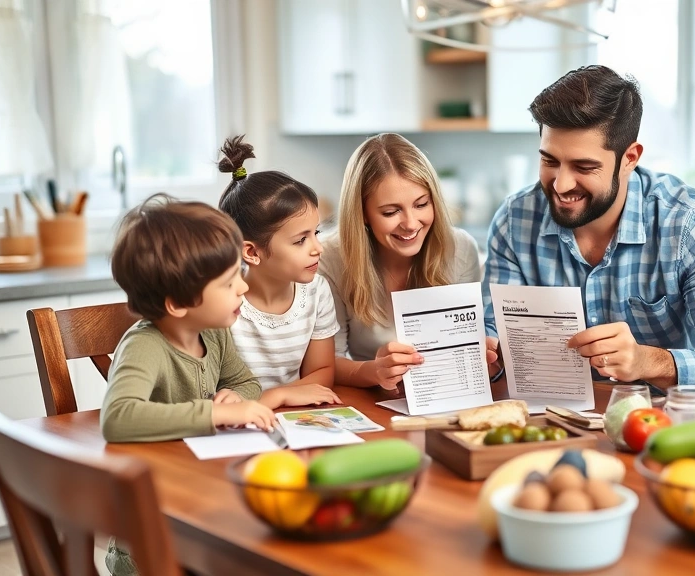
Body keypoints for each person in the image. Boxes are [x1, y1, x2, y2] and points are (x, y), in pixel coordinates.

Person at [482, 65, 695, 398]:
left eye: (584, 167)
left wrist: (649, 362)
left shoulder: (691, 223)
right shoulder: (514, 220)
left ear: (629, 158)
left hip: (666, 430)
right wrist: (489, 356)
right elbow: (495, 337)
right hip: (550, 423)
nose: (561, 184)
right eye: (549, 161)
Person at [100, 193, 276, 576]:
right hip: (150, 539)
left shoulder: (213, 332)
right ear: (178, 303)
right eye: (229, 283)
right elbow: (117, 417)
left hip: (199, 507)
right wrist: (215, 412)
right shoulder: (144, 345)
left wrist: (237, 396)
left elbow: (245, 381)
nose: (244, 289)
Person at [319, 133, 496, 389]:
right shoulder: (330, 258)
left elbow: (464, 347)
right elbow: (326, 363)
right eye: (391, 212)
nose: (411, 224)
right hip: (368, 396)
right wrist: (373, 371)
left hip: (440, 395)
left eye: (421, 204)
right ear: (362, 214)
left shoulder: (460, 248)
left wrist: (482, 358)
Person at [218, 135, 341, 409]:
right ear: (251, 252)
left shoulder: (316, 291)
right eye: (300, 240)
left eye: (316, 233)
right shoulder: (220, 304)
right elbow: (210, 396)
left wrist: (277, 399)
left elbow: (322, 372)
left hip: (288, 418)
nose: (318, 248)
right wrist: (277, 397)